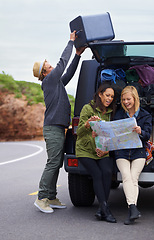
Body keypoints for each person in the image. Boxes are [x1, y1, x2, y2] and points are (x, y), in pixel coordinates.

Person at [32, 31, 86, 213]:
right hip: (53, 128)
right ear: (45, 72)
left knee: (56, 162)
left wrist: (78, 55)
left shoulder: (56, 83)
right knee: (53, 162)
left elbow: (68, 72)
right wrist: (70, 43)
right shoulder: (49, 80)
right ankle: (41, 198)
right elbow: (63, 64)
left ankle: (52, 196)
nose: (52, 66)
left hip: (59, 127)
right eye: (49, 65)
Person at [75, 83, 117, 223]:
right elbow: (79, 132)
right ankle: (105, 209)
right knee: (97, 174)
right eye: (107, 95)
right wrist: (87, 124)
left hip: (102, 150)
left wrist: (105, 149)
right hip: (86, 150)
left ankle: (101, 209)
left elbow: (111, 134)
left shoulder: (111, 112)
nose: (109, 98)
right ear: (100, 94)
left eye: (112, 96)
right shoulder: (88, 108)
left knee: (106, 171)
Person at [113, 86, 152, 225]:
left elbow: (147, 136)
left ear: (135, 98)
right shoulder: (119, 114)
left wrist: (141, 131)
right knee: (126, 176)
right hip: (122, 151)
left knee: (133, 177)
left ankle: (132, 209)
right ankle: (133, 208)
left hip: (139, 152)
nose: (125, 102)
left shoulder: (146, 115)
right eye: (123, 99)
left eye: (128, 99)